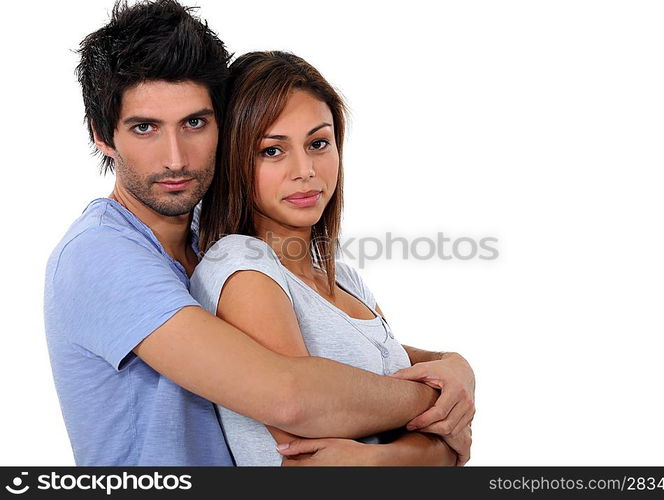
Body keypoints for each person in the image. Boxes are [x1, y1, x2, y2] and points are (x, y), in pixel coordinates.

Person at [44, 0, 475, 466]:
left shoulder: (205, 239)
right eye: (145, 128)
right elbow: (290, 398)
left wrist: (451, 365)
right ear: (102, 136)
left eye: (194, 123)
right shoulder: (101, 254)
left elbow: (345, 346)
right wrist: (437, 405)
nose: (175, 158)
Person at [192, 51, 475, 466]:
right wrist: (432, 449)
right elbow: (306, 459)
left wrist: (456, 365)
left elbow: (401, 378)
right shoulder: (241, 267)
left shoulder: (342, 278)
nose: (305, 169)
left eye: (318, 143)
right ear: (235, 159)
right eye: (272, 150)